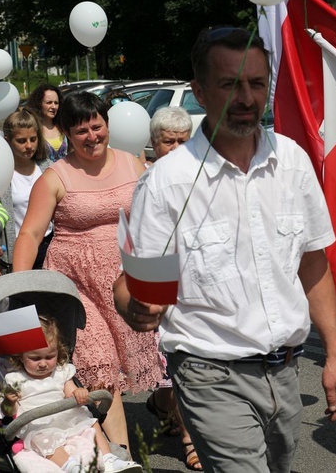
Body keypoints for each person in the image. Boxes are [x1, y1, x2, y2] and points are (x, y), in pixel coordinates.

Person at [113, 26, 336, 472]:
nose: (246, 97)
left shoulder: (293, 161)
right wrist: (136, 308)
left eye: (256, 83)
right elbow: (130, 284)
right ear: (200, 92)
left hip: (284, 372)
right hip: (209, 374)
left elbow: (313, 263)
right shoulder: (168, 180)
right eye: (230, 84)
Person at [13, 91, 164, 454]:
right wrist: (18, 288)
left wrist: (162, 276)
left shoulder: (133, 164)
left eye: (97, 126)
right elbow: (31, 233)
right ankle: (122, 454)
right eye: (80, 131)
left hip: (125, 278)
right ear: (66, 133)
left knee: (165, 355)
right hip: (75, 286)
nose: (91, 136)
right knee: (101, 364)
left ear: (107, 125)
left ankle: (166, 414)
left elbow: (155, 222)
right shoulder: (55, 176)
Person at [117, 105, 198, 470]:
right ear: (153, 143)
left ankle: (179, 425)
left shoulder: (203, 174)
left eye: (183, 140)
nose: (177, 148)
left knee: (184, 363)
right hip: (160, 274)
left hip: (194, 279)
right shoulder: (148, 181)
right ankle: (182, 427)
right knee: (170, 361)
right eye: (169, 141)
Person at [2, 316, 143, 473]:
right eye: (35, 358)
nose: (43, 363)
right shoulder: (16, 379)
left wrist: (79, 392)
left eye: (49, 357)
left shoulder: (61, 372)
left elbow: (71, 393)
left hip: (65, 416)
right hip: (38, 423)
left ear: (58, 351)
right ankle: (70, 466)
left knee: (92, 423)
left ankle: (109, 459)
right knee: (44, 440)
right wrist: (9, 402)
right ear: (21, 357)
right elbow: (10, 414)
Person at [0, 109, 54, 270]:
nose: (29, 146)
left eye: (33, 139)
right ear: (8, 141)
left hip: (48, 243)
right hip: (19, 247)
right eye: (21, 141)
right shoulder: (2, 175)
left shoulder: (48, 167)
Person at [25, 83, 68, 161]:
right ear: (39, 103)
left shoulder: (64, 126)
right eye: (49, 102)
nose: (53, 107)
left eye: (56, 103)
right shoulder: (33, 129)